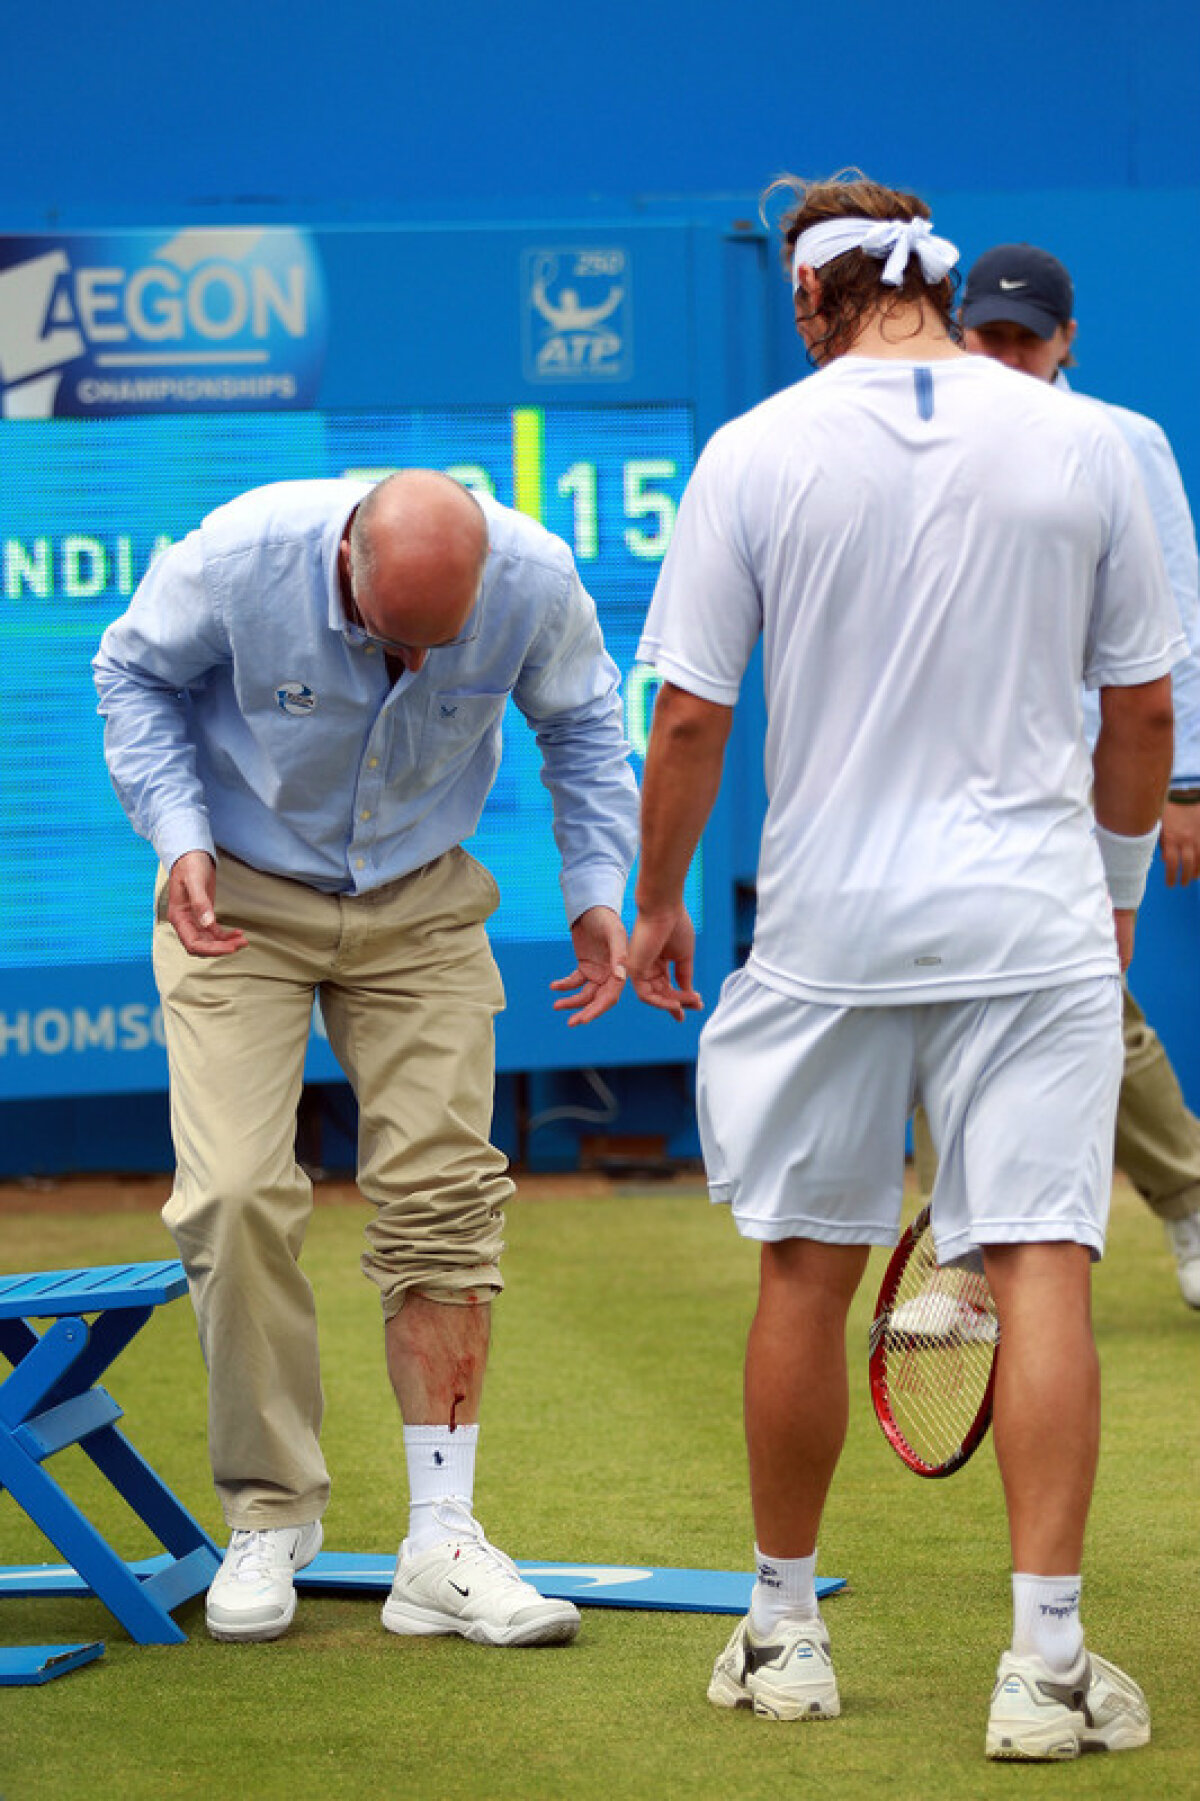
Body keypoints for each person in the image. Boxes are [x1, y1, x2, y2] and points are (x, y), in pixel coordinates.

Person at [627, 172, 1182, 1759]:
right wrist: (1117, 894)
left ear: (813, 300)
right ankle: (1048, 1670)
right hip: (1036, 920)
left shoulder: (755, 452)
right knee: (1042, 1262)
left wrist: (660, 897)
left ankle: (784, 1633)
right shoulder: (1087, 441)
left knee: (804, 1263)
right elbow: (1143, 715)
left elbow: (688, 717)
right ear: (930, 281)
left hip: (832, 924)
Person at [93, 469, 638, 1647]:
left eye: (437, 651)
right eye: (392, 643)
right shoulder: (241, 555)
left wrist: (599, 888)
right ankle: (271, 1509)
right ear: (349, 564)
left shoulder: (535, 580)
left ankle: (440, 1537)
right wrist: (178, 833)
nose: (410, 672)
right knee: (234, 1194)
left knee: (446, 1196)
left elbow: (586, 725)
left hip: (421, 899)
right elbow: (131, 670)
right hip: (237, 893)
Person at [951, 241, 1200, 1309]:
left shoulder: (1119, 443)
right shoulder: (922, 436)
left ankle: (1187, 1200)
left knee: (1095, 997)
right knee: (943, 993)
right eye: (988, 335)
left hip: (1077, 773)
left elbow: (1169, 630)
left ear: (1065, 343)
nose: (1005, 357)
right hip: (945, 774)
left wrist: (1180, 785)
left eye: (1026, 338)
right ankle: (960, 1264)